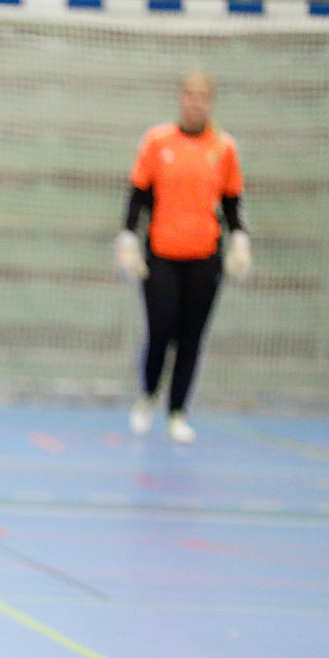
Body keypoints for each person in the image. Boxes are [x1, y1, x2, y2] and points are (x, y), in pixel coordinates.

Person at [114, 69, 251, 444]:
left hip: (204, 255)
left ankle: (177, 413)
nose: (195, 102)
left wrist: (239, 239)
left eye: (202, 96)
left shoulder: (223, 147)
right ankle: (148, 395)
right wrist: (128, 236)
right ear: (180, 97)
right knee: (161, 330)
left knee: (191, 338)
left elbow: (232, 200)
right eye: (189, 94)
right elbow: (139, 193)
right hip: (162, 253)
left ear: (210, 101)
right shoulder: (158, 141)